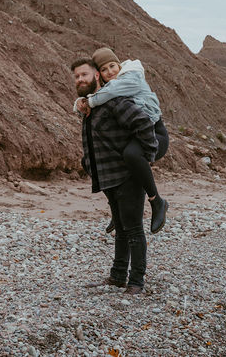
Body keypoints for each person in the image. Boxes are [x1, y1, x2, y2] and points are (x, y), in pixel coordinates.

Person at [72, 57, 158, 295]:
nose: (80, 80)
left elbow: (143, 123)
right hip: (107, 177)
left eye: (85, 75)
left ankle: (136, 282)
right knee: (121, 227)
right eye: (77, 76)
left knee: (133, 229)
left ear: (97, 76)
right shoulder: (90, 106)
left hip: (127, 175)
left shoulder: (114, 101)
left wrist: (146, 157)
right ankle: (118, 276)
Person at [75, 47, 169, 233]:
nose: (110, 71)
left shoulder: (131, 77)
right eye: (104, 69)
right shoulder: (108, 89)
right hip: (137, 134)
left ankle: (157, 201)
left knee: (131, 154)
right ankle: (115, 209)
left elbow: (109, 93)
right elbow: (99, 94)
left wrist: (88, 102)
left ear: (119, 65)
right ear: (99, 74)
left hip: (154, 132)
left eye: (112, 66)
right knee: (89, 161)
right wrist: (80, 102)